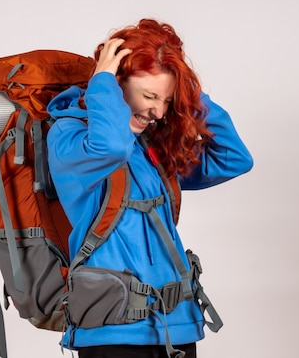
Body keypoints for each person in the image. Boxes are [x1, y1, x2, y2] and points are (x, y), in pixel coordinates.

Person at [46, 19, 253, 358]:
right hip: (112, 332)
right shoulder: (68, 138)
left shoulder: (150, 147)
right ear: (116, 85)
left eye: (167, 101)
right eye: (149, 96)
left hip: (177, 324)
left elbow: (234, 158)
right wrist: (101, 81)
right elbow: (110, 147)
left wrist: (187, 93)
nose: (158, 111)